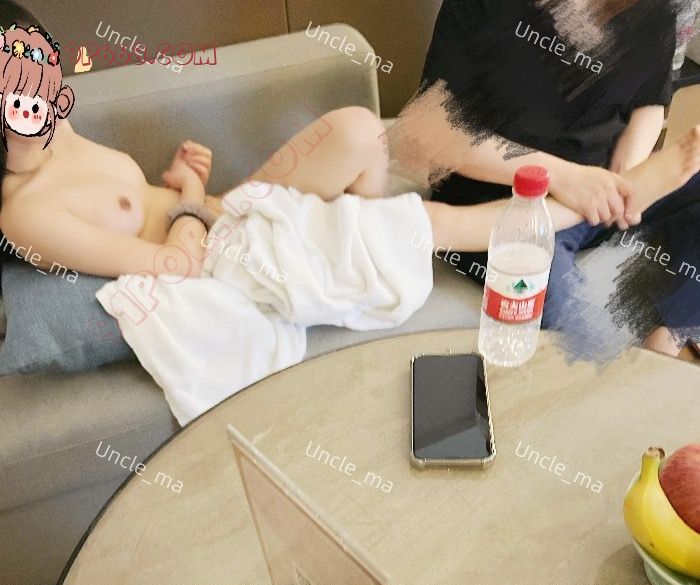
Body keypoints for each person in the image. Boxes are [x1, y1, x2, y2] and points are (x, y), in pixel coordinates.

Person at [0, 15, 699, 346]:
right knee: (439, 224)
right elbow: (173, 266)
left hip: (226, 215)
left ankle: (360, 246)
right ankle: (618, 196)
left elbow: (145, 210)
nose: (38, 104)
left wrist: (184, 184)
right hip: (219, 258)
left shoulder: (59, 134)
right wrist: (186, 200)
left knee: (359, 129)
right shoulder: (24, 213)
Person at [408, 0, 700, 358]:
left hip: (602, 187)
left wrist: (626, 179)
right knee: (569, 326)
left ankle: (672, 332)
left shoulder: (652, 12)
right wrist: (563, 178)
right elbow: (430, 132)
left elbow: (649, 104)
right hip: (501, 204)